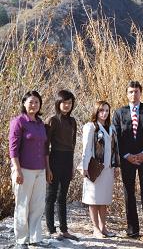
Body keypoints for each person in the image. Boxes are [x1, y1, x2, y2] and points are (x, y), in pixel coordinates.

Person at [112, 81, 143, 238]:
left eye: (136, 91)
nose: (133, 94)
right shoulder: (119, 113)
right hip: (127, 159)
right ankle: (132, 229)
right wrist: (127, 155)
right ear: (126, 94)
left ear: (140, 93)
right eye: (130, 92)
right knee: (128, 192)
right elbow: (116, 137)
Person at [9, 90, 50, 248]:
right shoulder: (19, 121)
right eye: (31, 102)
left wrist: (47, 169)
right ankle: (21, 240)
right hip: (23, 170)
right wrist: (17, 170)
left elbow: (46, 148)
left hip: (40, 170)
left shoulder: (40, 123)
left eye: (37, 102)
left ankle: (35, 237)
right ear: (24, 103)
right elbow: (13, 149)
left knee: (37, 205)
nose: (34, 105)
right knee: (22, 205)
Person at [79, 100, 120, 238]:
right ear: (96, 111)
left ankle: (103, 227)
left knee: (104, 199)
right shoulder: (90, 127)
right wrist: (84, 168)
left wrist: (115, 166)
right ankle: (95, 228)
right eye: (101, 110)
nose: (104, 113)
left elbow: (114, 149)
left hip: (108, 168)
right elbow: (86, 149)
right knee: (93, 199)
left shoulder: (111, 128)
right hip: (94, 167)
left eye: (107, 111)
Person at [45, 90, 78, 241]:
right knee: (51, 196)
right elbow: (45, 146)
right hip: (54, 159)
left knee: (62, 197)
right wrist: (48, 167)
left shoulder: (73, 121)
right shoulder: (52, 120)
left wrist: (72, 166)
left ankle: (64, 229)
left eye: (70, 103)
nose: (67, 105)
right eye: (64, 102)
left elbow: (73, 145)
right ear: (59, 103)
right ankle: (51, 229)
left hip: (67, 160)